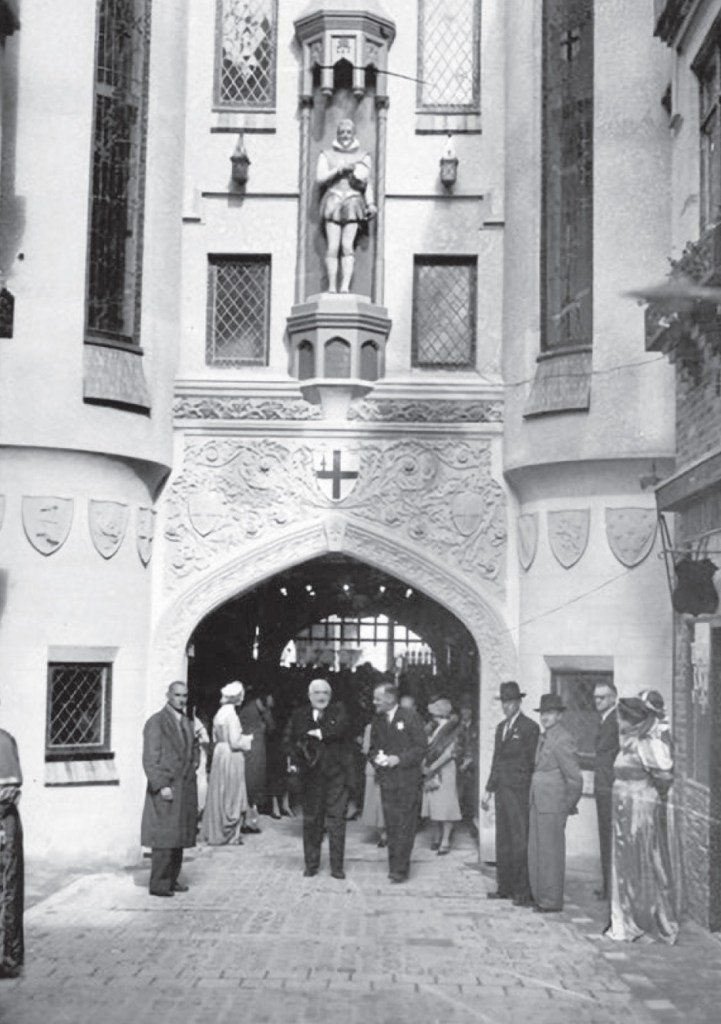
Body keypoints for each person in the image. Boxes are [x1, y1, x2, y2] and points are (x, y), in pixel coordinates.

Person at [605, 693, 680, 944]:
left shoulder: (648, 744)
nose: (618, 722)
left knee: (642, 861)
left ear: (631, 719)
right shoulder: (628, 741)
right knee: (624, 863)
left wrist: (643, 796)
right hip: (623, 812)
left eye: (620, 718)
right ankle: (626, 916)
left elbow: (664, 777)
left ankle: (645, 918)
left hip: (639, 811)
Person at [284, 678, 351, 879]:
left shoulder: (338, 711)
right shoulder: (299, 714)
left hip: (336, 776)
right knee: (312, 820)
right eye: (317, 693)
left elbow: (340, 728)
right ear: (309, 695)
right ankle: (311, 865)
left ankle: (337, 867)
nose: (321, 697)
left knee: (337, 821)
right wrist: (295, 759)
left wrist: (319, 733)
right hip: (310, 777)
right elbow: (288, 739)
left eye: (325, 693)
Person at [480, 681, 539, 904]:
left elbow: (533, 762)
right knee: (503, 840)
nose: (507, 706)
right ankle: (504, 887)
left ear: (519, 702)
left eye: (511, 702)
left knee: (520, 840)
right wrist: (489, 789)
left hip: (519, 792)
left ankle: (522, 890)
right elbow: (497, 761)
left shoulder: (529, 727)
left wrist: (527, 788)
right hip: (502, 792)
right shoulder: (501, 728)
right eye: (504, 702)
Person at [141, 681, 198, 897]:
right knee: (164, 836)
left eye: (184, 695)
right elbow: (150, 758)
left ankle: (173, 879)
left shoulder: (186, 722)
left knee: (178, 835)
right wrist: (161, 785)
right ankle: (159, 884)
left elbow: (191, 749)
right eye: (177, 695)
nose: (181, 700)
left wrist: (194, 764)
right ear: (168, 695)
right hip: (167, 787)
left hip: (183, 786)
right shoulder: (156, 722)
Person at [527, 693, 582, 913]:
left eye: (550, 713)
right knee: (537, 852)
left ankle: (551, 900)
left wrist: (566, 806)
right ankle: (540, 896)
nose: (545, 717)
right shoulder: (544, 737)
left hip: (553, 805)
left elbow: (575, 779)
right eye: (543, 713)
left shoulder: (563, 739)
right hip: (538, 801)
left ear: (559, 715)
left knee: (550, 854)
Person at [369, 682, 428, 883]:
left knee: (405, 825)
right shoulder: (377, 720)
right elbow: (372, 748)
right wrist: (378, 760)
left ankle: (400, 869)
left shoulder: (411, 717)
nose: (374, 702)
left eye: (377, 698)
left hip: (407, 781)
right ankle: (394, 865)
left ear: (389, 698)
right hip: (387, 781)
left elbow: (421, 748)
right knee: (391, 825)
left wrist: (399, 760)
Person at [316, 118, 376, 294]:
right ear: (337, 134)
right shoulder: (326, 155)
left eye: (348, 132)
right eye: (342, 132)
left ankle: (345, 286)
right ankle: (332, 286)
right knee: (333, 246)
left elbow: (367, 183)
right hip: (333, 200)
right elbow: (320, 178)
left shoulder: (363, 156)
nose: (345, 135)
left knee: (347, 246)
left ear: (353, 134)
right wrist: (338, 170)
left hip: (353, 201)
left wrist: (371, 203)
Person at [201, 681, 253, 846]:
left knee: (221, 790)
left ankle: (219, 827)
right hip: (231, 755)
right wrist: (248, 740)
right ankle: (230, 834)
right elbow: (235, 742)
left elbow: (215, 737)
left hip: (220, 753)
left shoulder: (219, 713)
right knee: (231, 792)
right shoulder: (232, 716)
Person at [421, 698, 462, 854]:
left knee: (446, 805)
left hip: (446, 770)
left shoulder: (452, 729)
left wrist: (431, 767)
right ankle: (437, 837)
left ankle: (445, 840)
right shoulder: (433, 728)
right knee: (434, 804)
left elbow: (449, 754)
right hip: (432, 769)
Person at [0, 719, 23, 978]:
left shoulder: (2, 741)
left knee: (6, 889)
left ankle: (6, 957)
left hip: (2, 826)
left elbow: (8, 792)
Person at [592, 679, 619, 901]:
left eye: (602, 697)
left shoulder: (616, 721)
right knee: (604, 836)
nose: (597, 701)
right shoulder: (603, 720)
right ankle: (607, 886)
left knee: (610, 838)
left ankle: (612, 889)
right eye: (595, 697)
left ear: (613, 698)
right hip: (602, 786)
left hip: (610, 787)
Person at [238, 689, 273, 833]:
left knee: (253, 786)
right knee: (250, 786)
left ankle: (249, 821)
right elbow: (270, 727)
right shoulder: (251, 712)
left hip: (256, 753)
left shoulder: (258, 711)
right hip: (252, 754)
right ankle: (247, 822)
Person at [455, 693, 479, 836]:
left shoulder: (477, 727)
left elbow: (478, 747)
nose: (465, 712)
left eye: (468, 709)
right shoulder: (456, 727)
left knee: (472, 796)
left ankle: (473, 826)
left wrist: (470, 760)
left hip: (472, 767)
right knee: (458, 796)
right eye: (463, 709)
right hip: (457, 766)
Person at [359, 720, 386, 847]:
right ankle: (384, 832)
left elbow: (366, 749)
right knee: (381, 801)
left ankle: (383, 833)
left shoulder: (370, 727)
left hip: (375, 768)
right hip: (382, 768)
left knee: (376, 802)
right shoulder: (372, 727)